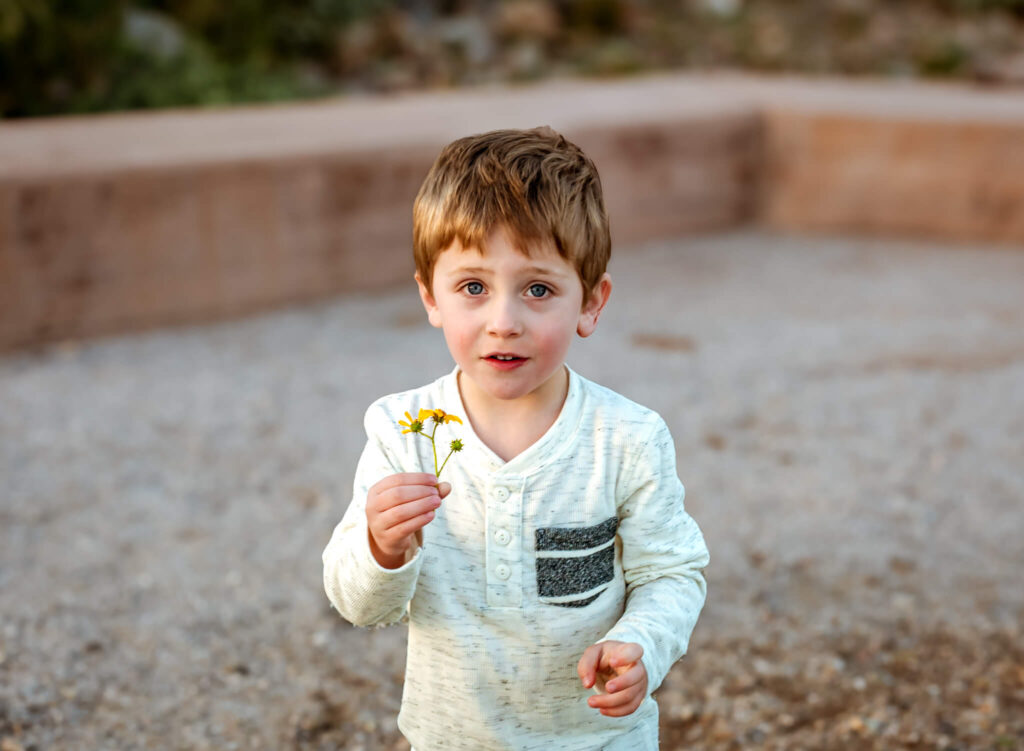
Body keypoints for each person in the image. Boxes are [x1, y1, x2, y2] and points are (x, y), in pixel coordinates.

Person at [322, 126, 709, 750]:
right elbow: (360, 605)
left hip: (597, 741)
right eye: (473, 288)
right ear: (431, 297)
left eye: (538, 290)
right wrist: (380, 546)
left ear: (590, 301)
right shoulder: (404, 431)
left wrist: (642, 645)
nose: (504, 322)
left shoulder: (627, 438)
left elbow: (672, 573)